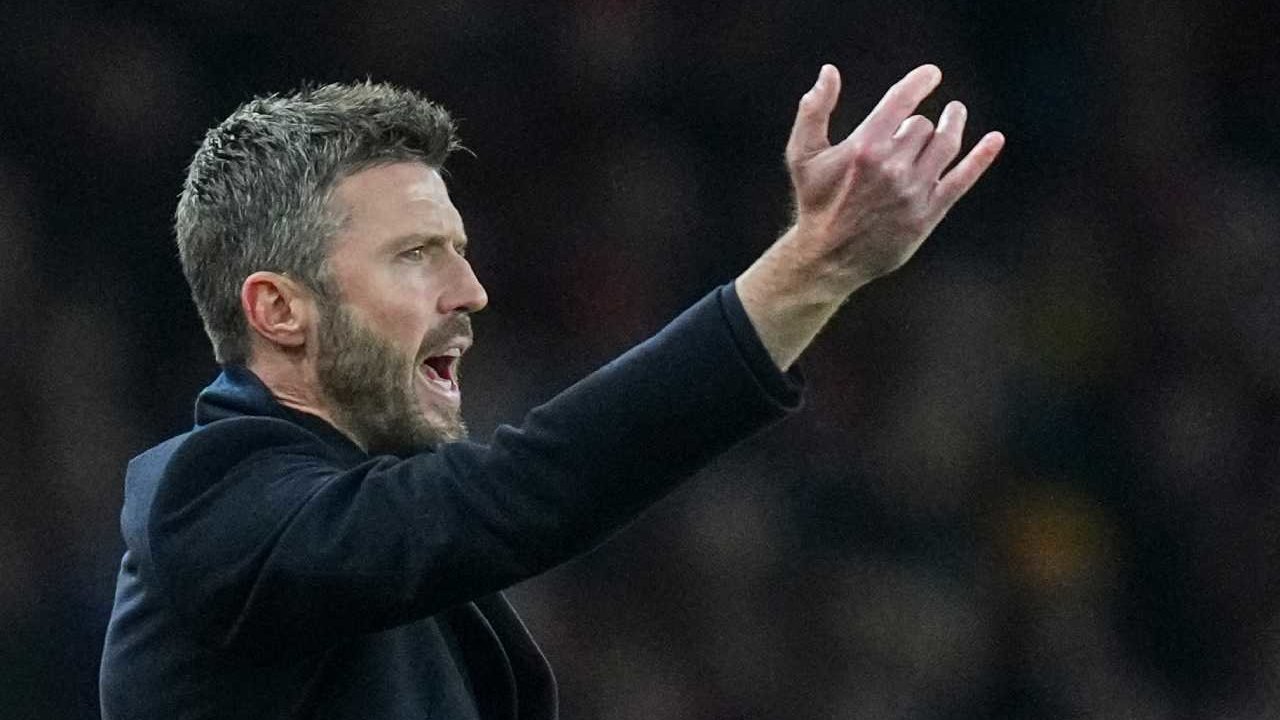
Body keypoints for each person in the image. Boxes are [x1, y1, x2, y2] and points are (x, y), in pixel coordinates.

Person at [98, 63, 1004, 719]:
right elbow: (524, 490)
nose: (471, 291)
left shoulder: (384, 561)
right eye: (416, 255)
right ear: (279, 310)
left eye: (459, 250)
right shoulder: (210, 506)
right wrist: (810, 269)